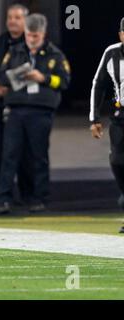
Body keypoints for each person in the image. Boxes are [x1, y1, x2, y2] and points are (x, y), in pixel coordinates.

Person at [0, 14, 71, 214]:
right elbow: (1, 75)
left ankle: (39, 197)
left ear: (43, 35)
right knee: (10, 154)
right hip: (16, 108)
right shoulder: (15, 52)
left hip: (41, 110)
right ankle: (3, 199)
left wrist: (43, 78)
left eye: (35, 36)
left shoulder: (55, 54)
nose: (31, 39)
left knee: (38, 156)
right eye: (29, 35)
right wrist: (17, 74)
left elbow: (64, 81)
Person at [0, 3, 33, 204]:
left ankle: (27, 193)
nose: (12, 21)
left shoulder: (32, 41)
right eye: (10, 17)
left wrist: (12, 86)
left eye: (17, 17)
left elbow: (32, 69)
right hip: (1, 104)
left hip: (23, 105)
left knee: (24, 151)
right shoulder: (1, 41)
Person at [89, 17, 124, 234]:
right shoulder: (112, 53)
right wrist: (94, 119)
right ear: (121, 34)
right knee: (117, 161)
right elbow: (98, 84)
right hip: (121, 115)